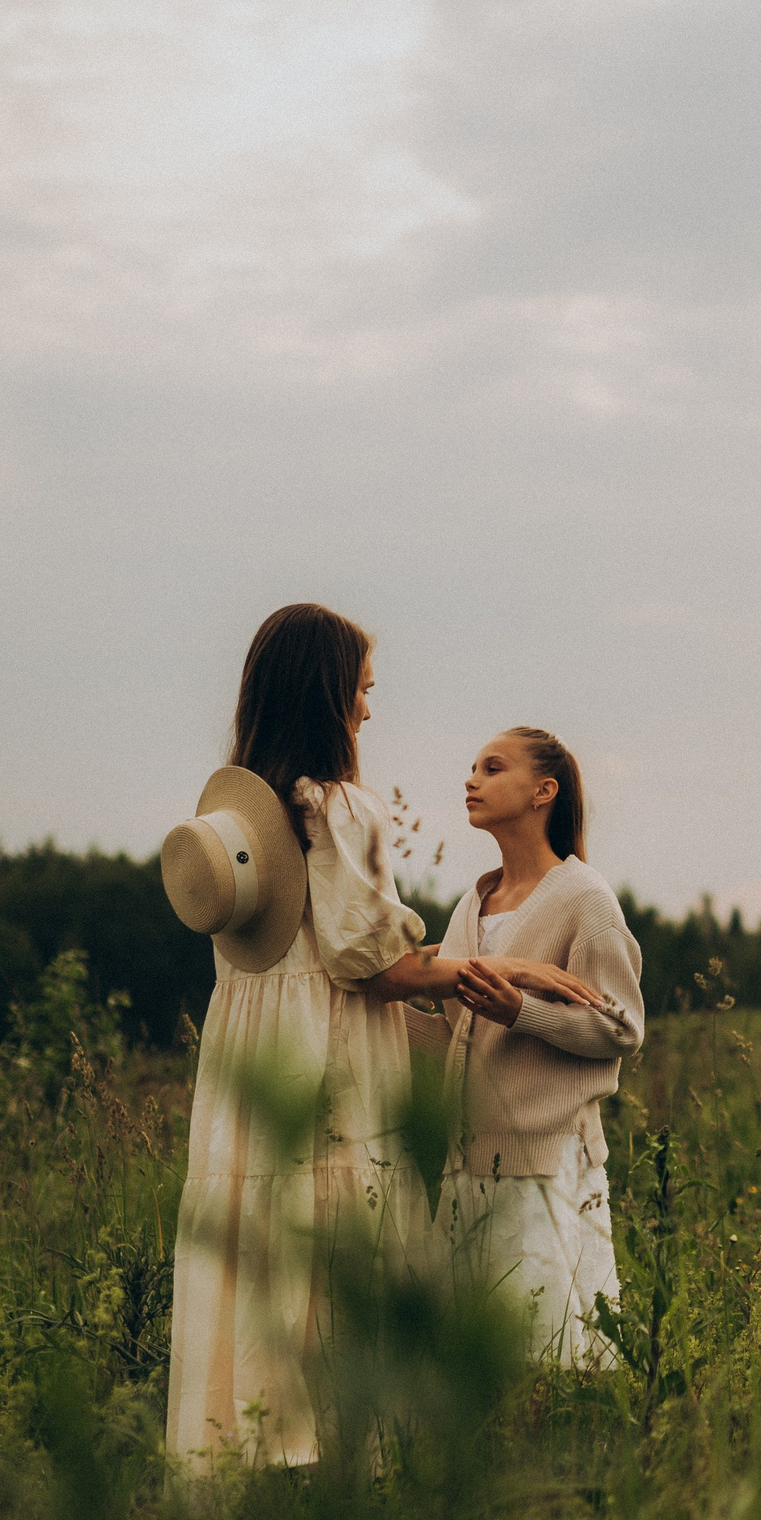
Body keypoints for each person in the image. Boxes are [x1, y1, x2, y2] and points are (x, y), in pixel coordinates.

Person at [164, 603, 467, 1468]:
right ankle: (332, 1455)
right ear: (330, 693)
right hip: (326, 1055)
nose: (369, 710)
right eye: (363, 690)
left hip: (250, 1060)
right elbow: (373, 964)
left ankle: (247, 1438)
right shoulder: (340, 808)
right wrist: (480, 968)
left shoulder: (237, 825)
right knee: (334, 1227)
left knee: (257, 1228)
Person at [409, 726, 643, 1366]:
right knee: (475, 1361)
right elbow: (462, 1038)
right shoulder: (470, 905)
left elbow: (623, 1029)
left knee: (547, 1351)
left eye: (492, 767)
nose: (471, 779)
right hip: (466, 1162)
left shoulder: (584, 899)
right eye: (472, 767)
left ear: (544, 791)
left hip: (545, 1157)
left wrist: (522, 1012)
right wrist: (371, 1009)